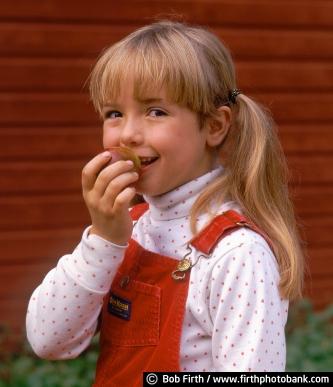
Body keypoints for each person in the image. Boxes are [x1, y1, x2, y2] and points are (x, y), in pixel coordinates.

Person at [26, 20, 304, 383]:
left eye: (155, 111)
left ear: (215, 126)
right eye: (114, 114)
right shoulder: (129, 228)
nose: (127, 133)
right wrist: (103, 238)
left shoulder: (236, 254)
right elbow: (48, 340)